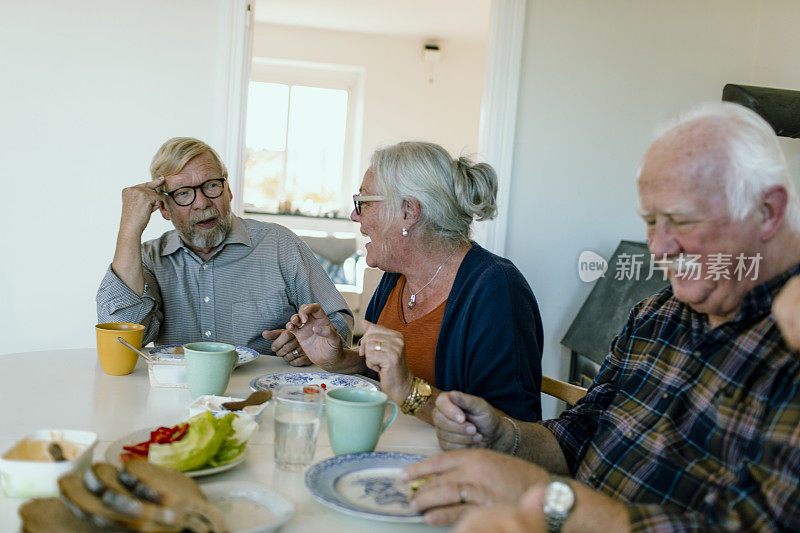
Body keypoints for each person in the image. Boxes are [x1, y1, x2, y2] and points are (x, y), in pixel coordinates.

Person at [403, 102, 800, 532]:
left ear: (768, 212)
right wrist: (502, 435)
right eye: (651, 222)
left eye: (681, 221)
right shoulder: (655, 315)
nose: (659, 249)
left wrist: (554, 506)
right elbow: (577, 437)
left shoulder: (789, 338)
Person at [278, 141, 544, 423]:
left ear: (408, 211)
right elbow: (385, 375)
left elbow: (515, 429)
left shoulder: (495, 289)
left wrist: (410, 392)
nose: (354, 216)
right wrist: (341, 359)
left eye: (363, 203)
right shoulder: (396, 277)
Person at [96, 137, 353, 356]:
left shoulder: (279, 244)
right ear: (164, 208)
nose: (202, 203)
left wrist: (310, 346)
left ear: (228, 191)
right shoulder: (149, 259)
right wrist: (129, 230)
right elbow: (122, 340)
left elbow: (339, 320)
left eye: (211, 186)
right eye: (183, 193)